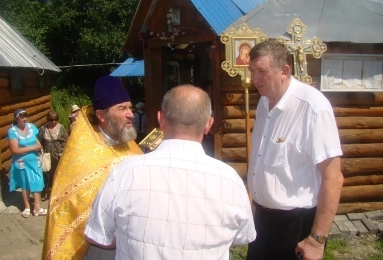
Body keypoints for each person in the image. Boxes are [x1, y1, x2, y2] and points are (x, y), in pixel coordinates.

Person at [85, 84, 256, 259]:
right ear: (208, 125)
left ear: (161, 120)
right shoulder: (229, 180)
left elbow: (98, 235)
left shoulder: (125, 172)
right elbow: (242, 236)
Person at [246, 41, 344, 260]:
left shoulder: (313, 107)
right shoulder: (264, 103)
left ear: (285, 71)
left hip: (296, 225)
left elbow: (333, 177)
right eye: (252, 71)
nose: (255, 79)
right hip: (263, 221)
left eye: (262, 72)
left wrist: (317, 241)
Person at [42, 76, 142, 260]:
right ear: (101, 115)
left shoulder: (131, 147)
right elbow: (68, 211)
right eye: (122, 108)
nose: (130, 114)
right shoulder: (81, 156)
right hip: (98, 250)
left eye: (130, 107)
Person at [7, 108, 47, 218]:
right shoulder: (12, 131)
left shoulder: (31, 127)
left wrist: (39, 147)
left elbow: (36, 139)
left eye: (26, 116)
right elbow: (14, 150)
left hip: (35, 160)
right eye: (22, 116)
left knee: (37, 181)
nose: (25, 118)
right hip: (22, 162)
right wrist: (33, 148)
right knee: (25, 184)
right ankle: (27, 207)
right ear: (17, 118)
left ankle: (37, 208)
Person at [37, 110, 69, 201]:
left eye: (55, 120)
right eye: (51, 120)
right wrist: (40, 151)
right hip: (47, 156)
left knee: (57, 175)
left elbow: (66, 140)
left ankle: (56, 193)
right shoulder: (43, 129)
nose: (54, 122)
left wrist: (63, 152)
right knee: (46, 175)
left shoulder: (61, 128)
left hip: (58, 155)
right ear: (48, 120)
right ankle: (45, 192)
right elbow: (38, 141)